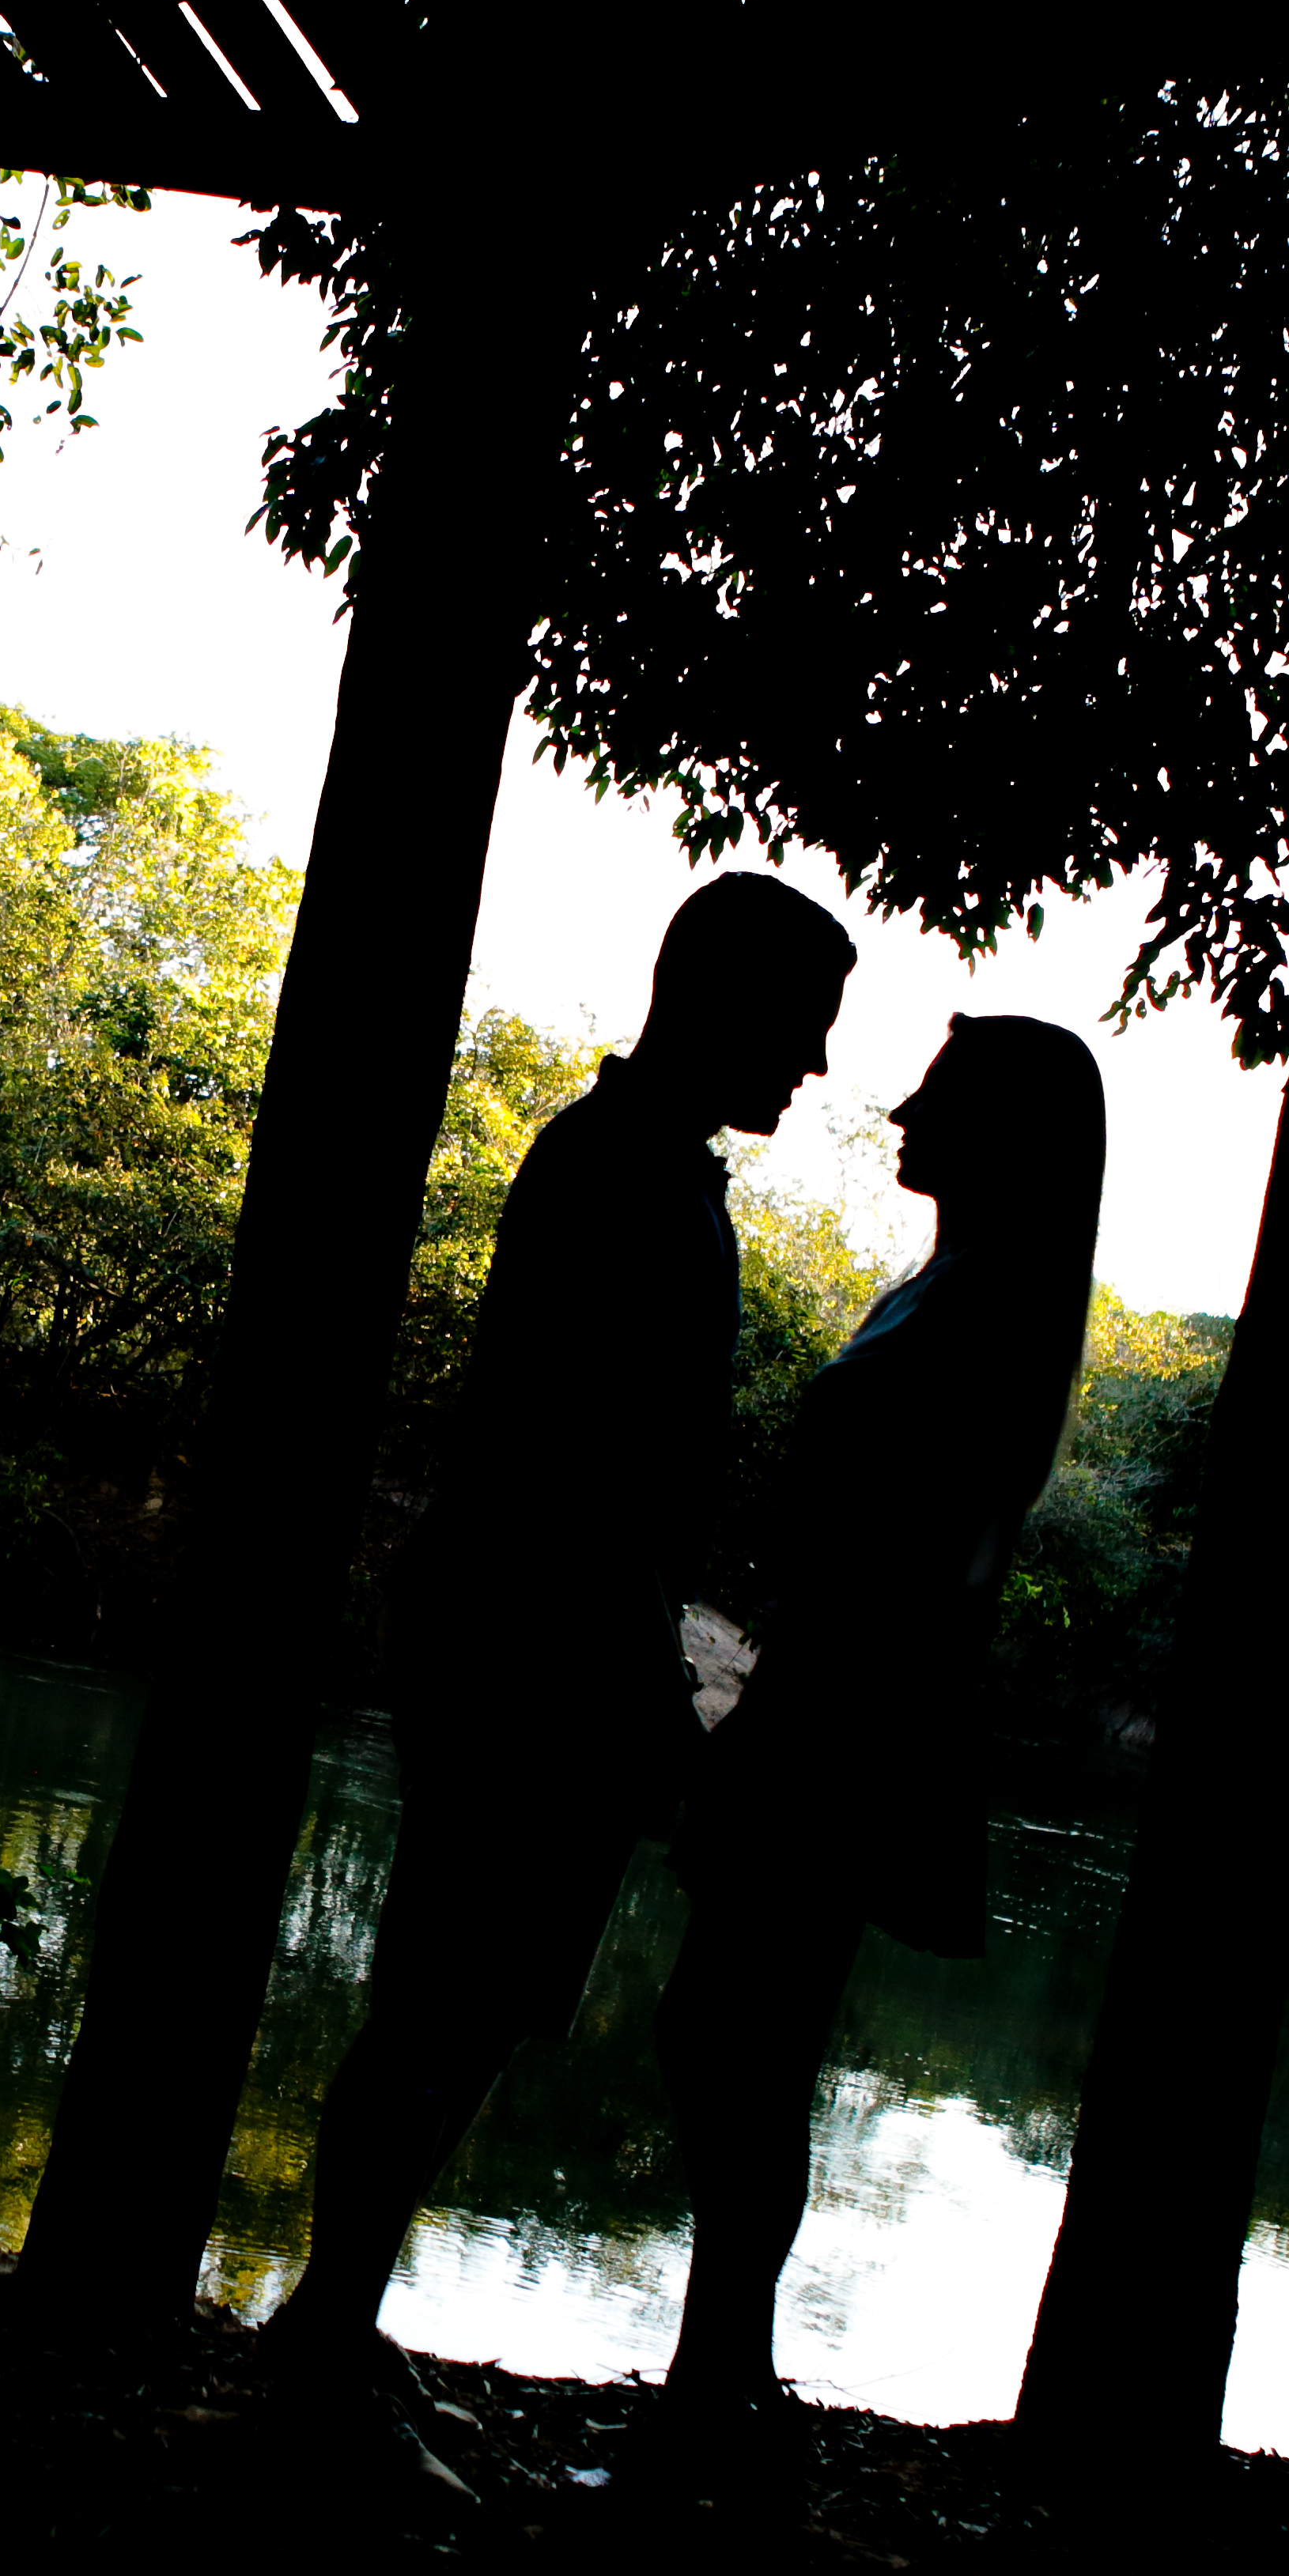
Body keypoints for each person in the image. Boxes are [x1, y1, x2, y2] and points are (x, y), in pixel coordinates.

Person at [263, 871, 859, 2379]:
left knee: (452, 2013)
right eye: (804, 1024)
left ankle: (333, 2331)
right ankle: (328, 2340)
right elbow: (576, 1477)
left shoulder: (633, 1164)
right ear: (719, 999)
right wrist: (647, 1691)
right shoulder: (623, 1177)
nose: (818, 1063)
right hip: (538, 1672)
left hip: (541, 1656)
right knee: (442, 2011)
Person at [651, 1012, 1107, 2405]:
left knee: (747, 2029)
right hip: (820, 1685)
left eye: (941, 1094)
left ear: (1008, 1135)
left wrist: (811, 1687)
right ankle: (721, 2357)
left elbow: (940, 1544)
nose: (902, 1108)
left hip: (849, 1707)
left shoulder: (991, 1303)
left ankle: (723, 2367)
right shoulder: (952, 1284)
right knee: (727, 2028)